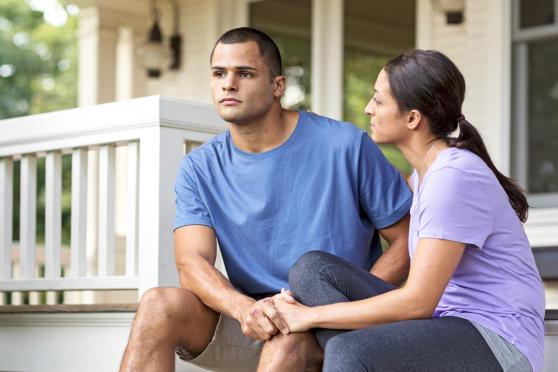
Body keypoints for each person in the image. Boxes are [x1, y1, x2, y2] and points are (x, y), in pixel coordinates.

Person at [119, 27, 412, 372]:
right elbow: (191, 262)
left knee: (286, 343)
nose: (228, 84)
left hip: (328, 324)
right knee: (157, 305)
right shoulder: (200, 167)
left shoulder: (345, 145)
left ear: (278, 86)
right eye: (219, 74)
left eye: (244, 73)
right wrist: (246, 309)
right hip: (252, 319)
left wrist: (347, 309)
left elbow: (406, 240)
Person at [273, 49, 545, 372]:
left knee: (349, 352)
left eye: (378, 100)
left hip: (498, 342)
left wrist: (308, 316)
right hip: (444, 324)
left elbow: (418, 301)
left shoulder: (453, 178)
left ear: (413, 118)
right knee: (311, 270)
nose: (367, 108)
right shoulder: (425, 173)